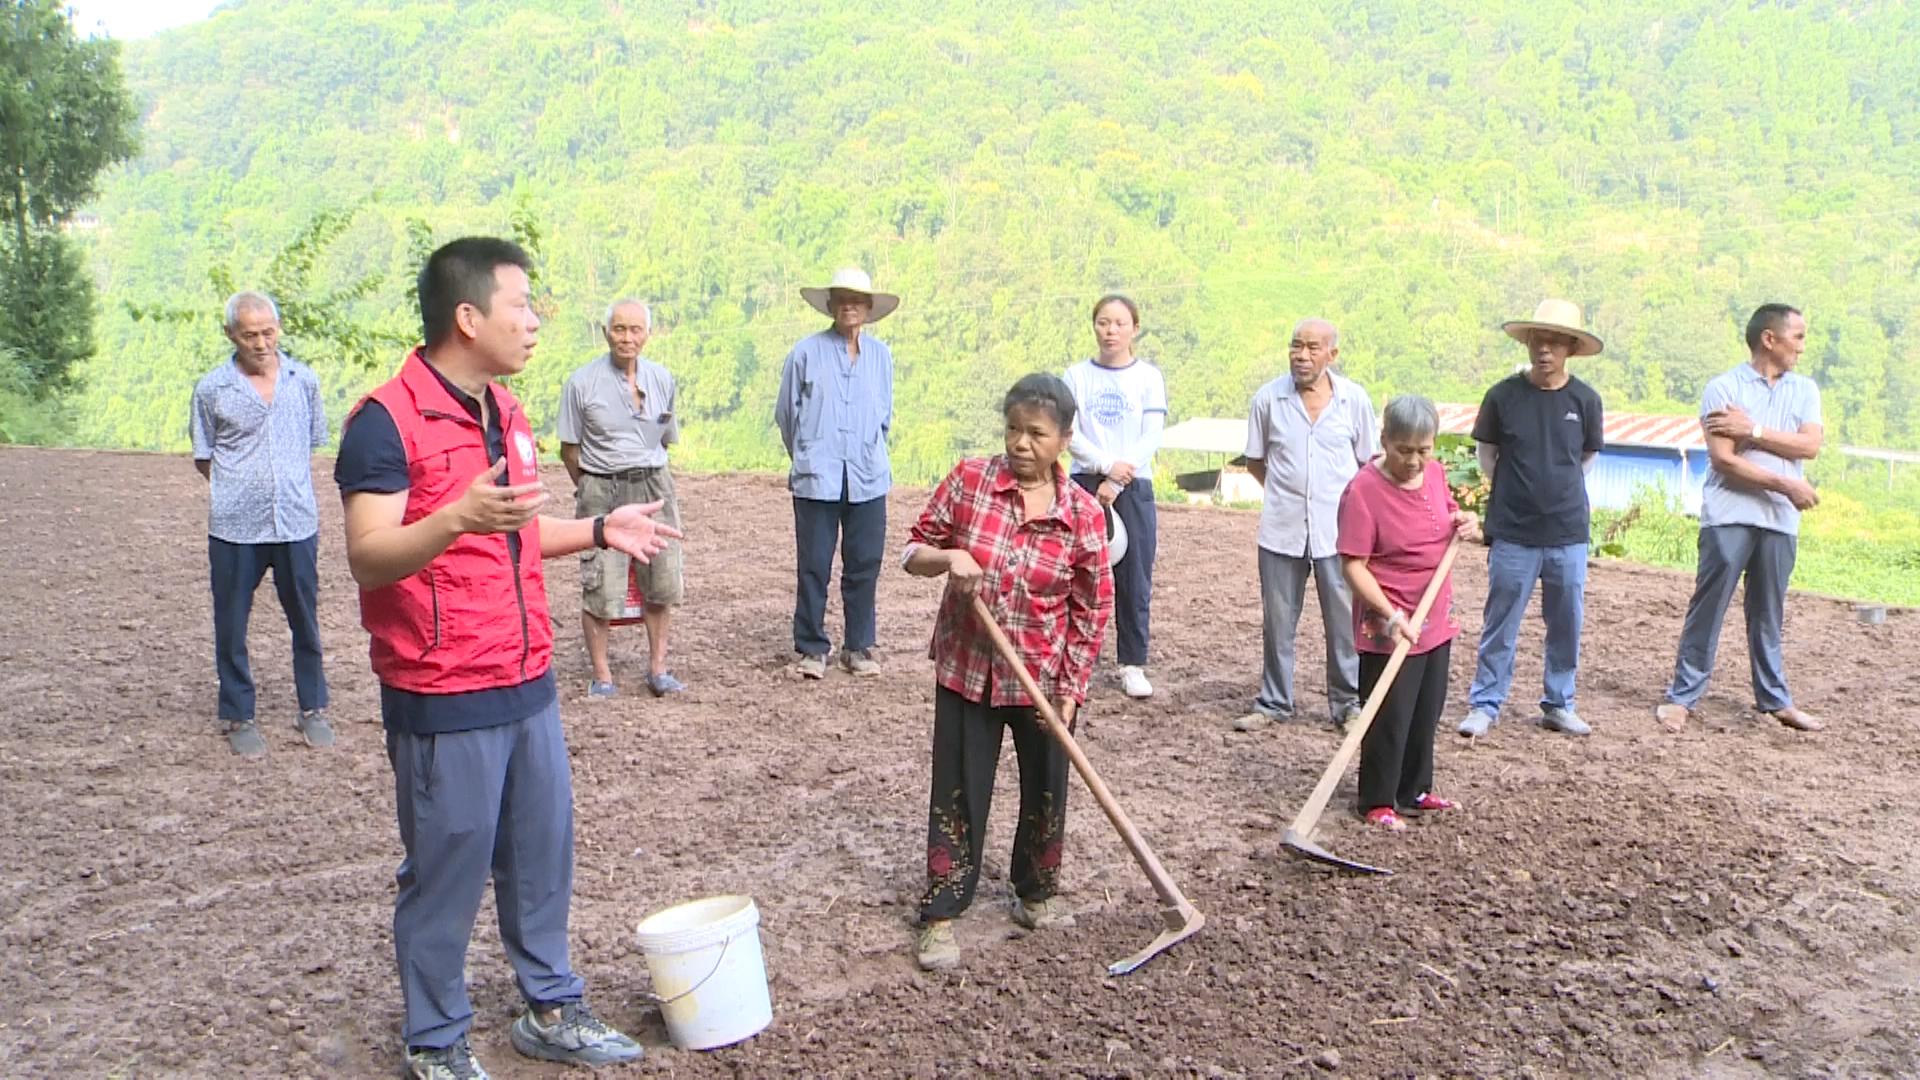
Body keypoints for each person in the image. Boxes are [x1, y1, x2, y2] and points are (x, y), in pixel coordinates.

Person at [335, 238, 676, 1079]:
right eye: (521, 305)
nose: (533, 322)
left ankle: (550, 1006)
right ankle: (437, 1038)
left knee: (540, 852)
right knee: (446, 870)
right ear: (468, 317)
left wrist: (600, 528)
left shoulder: (506, 411)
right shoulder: (386, 420)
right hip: (442, 686)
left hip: (526, 677)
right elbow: (369, 555)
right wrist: (455, 517)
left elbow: (516, 528)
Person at [901, 373, 1113, 971]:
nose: (1021, 443)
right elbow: (912, 551)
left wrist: (1071, 688)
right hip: (969, 669)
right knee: (958, 791)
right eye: (1013, 429)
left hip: (1042, 674)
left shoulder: (1083, 515)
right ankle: (942, 913)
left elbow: (1092, 606)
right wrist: (949, 556)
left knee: (1047, 788)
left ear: (1065, 439)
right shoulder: (970, 481)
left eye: (1037, 434)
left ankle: (1036, 894)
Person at [1655, 304, 1825, 734]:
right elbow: (1724, 460)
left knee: (1769, 611)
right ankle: (1682, 696)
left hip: (1779, 522)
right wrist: (1786, 484)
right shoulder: (1722, 388)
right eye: (1798, 337)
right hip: (1729, 514)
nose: (1802, 347)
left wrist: (1755, 432)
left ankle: (1774, 699)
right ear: (1770, 339)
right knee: (1709, 606)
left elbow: (1809, 446)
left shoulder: (1805, 390)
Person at [188, 290, 333, 757]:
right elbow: (205, 456)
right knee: (231, 623)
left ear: (279, 328)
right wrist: (241, 488)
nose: (261, 343)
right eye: (249, 335)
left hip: (296, 522)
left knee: (305, 621)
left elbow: (312, 441)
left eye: (268, 332)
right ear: (230, 334)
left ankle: (313, 708)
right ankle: (238, 713)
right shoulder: (212, 390)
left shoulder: (303, 380)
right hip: (234, 529)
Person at [1457, 299, 1606, 739]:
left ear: (1570, 349)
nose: (1545, 350)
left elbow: (1585, 458)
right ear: (1527, 344)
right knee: (1500, 620)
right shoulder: (1502, 396)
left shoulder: (1586, 400)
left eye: (1555, 342)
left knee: (1566, 621)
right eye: (1538, 341)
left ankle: (1559, 703)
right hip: (1512, 532)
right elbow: (1489, 457)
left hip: (1568, 533)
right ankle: (1486, 702)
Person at [1336, 395, 1477, 830]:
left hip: (1435, 613)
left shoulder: (1434, 474)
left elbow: (1446, 514)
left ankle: (1414, 789)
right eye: (1404, 450)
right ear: (1384, 441)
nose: (1415, 461)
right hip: (1390, 619)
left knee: (1425, 707)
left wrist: (1464, 521)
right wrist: (1391, 615)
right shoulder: (1363, 490)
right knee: (1389, 711)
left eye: (1424, 450)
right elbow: (1353, 565)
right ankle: (1377, 799)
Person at [1234, 318, 1377, 734]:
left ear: (1332, 355)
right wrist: (1286, 492)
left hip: (1339, 533)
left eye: (1313, 348)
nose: (1302, 355)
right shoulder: (1268, 399)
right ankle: (1274, 701)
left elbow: (1367, 465)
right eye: (1296, 346)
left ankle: (1347, 703)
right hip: (1282, 529)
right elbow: (1256, 462)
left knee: (1344, 620)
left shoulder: (1354, 401)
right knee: (1278, 621)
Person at [557, 298, 687, 699]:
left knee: (662, 579)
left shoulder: (662, 379)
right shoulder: (581, 384)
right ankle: (602, 675)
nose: (626, 338)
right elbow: (569, 449)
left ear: (648, 334)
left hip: (654, 483)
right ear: (605, 333)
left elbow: (665, 437)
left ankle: (659, 669)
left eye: (635, 330)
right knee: (600, 583)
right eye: (619, 329)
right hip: (601, 487)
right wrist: (589, 488)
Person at [774, 266, 897, 679]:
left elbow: (884, 416)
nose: (850, 307)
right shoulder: (805, 352)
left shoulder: (881, 356)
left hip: (867, 474)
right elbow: (786, 414)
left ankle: (859, 646)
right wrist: (807, 453)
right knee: (814, 563)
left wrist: (866, 449)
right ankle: (811, 647)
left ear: (867, 308)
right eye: (842, 299)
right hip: (817, 476)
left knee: (865, 562)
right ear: (830, 305)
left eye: (857, 300)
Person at [1062, 294, 1166, 699]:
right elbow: (1070, 434)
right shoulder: (1076, 376)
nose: (1111, 331)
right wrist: (1106, 467)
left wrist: (1118, 481)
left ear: (1134, 328)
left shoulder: (1148, 377)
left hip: (1133, 484)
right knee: (1078, 574)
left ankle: (1132, 662)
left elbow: (1150, 436)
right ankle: (1076, 658)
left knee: (1135, 577)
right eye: (1104, 322)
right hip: (1086, 480)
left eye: (1120, 323)